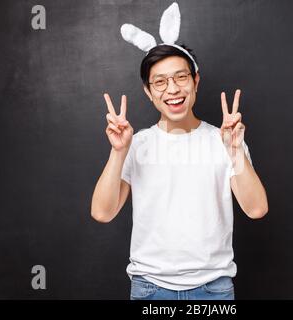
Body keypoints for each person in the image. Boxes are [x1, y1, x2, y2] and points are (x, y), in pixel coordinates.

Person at [91, 43, 269, 300]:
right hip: (150, 288)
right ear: (148, 92)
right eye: (160, 82)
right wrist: (119, 151)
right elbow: (102, 212)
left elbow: (256, 209)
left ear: (195, 81)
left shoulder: (225, 141)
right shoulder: (136, 144)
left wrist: (235, 150)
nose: (173, 89)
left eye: (181, 77)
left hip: (214, 289)